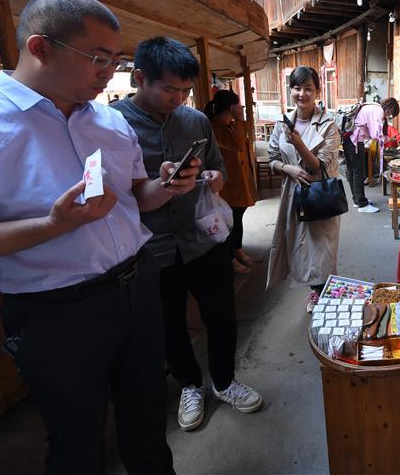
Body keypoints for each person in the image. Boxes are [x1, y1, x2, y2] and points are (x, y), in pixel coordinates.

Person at [0, 0, 194, 473]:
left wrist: (167, 186)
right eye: (98, 58)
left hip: (137, 285)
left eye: (115, 60)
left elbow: (138, 197)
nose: (110, 72)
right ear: (40, 48)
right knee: (77, 441)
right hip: (55, 312)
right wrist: (51, 225)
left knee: (149, 420)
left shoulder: (108, 120)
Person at [113, 37, 262, 433]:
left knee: (222, 316)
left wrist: (214, 178)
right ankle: (191, 386)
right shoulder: (114, 123)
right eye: (169, 89)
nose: (178, 98)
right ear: (140, 78)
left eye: (184, 91)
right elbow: (114, 193)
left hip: (204, 240)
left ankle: (226, 381)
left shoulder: (195, 121)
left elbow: (218, 170)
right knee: (169, 326)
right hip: (152, 247)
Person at [267, 66, 341, 313]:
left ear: (318, 91)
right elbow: (273, 157)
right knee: (299, 247)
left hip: (320, 196)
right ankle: (315, 292)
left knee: (321, 250)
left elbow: (319, 166)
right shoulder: (282, 123)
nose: (302, 93)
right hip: (293, 195)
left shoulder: (328, 126)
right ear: (291, 91)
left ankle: (324, 294)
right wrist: (288, 169)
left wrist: (298, 143)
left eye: (308, 88)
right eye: (297, 88)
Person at [205, 89, 258, 275]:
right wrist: (240, 119)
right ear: (230, 108)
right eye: (237, 106)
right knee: (230, 221)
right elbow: (235, 145)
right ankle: (231, 257)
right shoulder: (215, 128)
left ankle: (238, 250)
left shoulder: (229, 125)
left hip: (239, 182)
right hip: (228, 185)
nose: (240, 108)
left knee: (237, 217)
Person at [342, 97, 400, 213]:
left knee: (352, 171)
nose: (388, 116)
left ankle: (357, 200)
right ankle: (362, 205)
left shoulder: (372, 106)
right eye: (390, 114)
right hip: (355, 140)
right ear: (389, 109)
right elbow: (375, 135)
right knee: (358, 172)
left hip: (347, 138)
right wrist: (388, 138)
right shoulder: (378, 111)